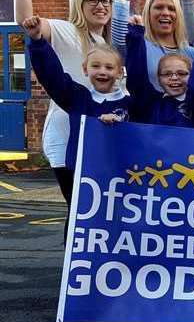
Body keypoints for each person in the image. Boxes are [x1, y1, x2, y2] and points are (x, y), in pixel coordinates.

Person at [9, 0, 113, 232]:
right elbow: (25, 21)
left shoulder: (106, 43)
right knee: (80, 209)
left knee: (93, 210)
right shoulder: (68, 31)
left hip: (96, 138)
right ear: (80, 4)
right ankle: (73, 274)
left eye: (105, 0)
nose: (100, 5)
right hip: (67, 138)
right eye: (93, 0)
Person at [24, 16, 130, 239]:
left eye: (109, 67)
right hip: (81, 174)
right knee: (78, 219)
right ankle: (73, 269)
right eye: (96, 66)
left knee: (116, 224)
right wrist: (39, 43)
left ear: (119, 72)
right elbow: (52, 77)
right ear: (85, 69)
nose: (102, 71)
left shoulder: (131, 104)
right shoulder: (77, 98)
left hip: (119, 176)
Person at [108, 0, 194, 90]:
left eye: (172, 9)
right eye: (159, 7)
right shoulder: (140, 47)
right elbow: (120, 42)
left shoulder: (191, 53)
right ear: (148, 13)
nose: (165, 13)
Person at [125, 15, 194, 128]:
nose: (174, 77)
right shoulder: (150, 102)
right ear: (158, 78)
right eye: (167, 74)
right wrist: (136, 35)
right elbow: (136, 78)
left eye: (181, 73)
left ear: (192, 76)